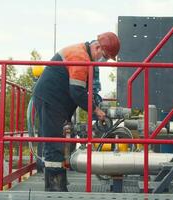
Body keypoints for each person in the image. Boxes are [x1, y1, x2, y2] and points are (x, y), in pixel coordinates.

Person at [32, 32, 120, 192]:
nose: (104, 61)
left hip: (56, 102)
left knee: (60, 142)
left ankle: (59, 184)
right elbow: (77, 92)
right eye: (105, 56)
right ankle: (54, 190)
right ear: (97, 47)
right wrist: (97, 111)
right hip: (51, 100)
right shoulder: (80, 57)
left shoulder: (83, 54)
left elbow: (82, 91)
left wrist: (94, 105)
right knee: (54, 144)